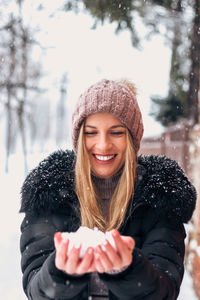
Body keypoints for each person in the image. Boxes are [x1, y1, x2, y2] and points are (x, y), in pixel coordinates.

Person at [19, 79, 196, 300]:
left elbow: (165, 291)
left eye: (116, 132)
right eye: (91, 133)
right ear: (78, 138)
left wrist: (128, 269)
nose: (103, 145)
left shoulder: (160, 198)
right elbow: (36, 290)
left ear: (132, 138)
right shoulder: (49, 194)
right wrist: (59, 272)